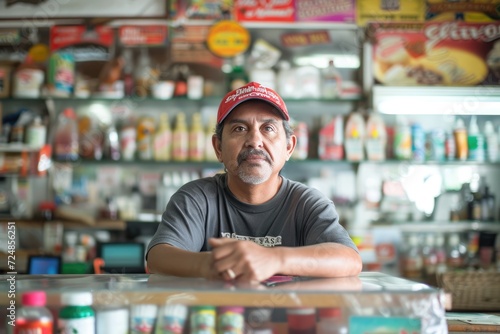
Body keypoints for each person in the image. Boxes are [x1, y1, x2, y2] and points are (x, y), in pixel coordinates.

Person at [146, 81, 362, 283]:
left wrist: (274, 259)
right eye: (239, 129)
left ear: (289, 147)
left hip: (288, 321)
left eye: (268, 128)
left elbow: (349, 259)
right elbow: (158, 258)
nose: (254, 140)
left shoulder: (307, 203)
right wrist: (216, 264)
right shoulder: (197, 198)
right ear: (218, 148)